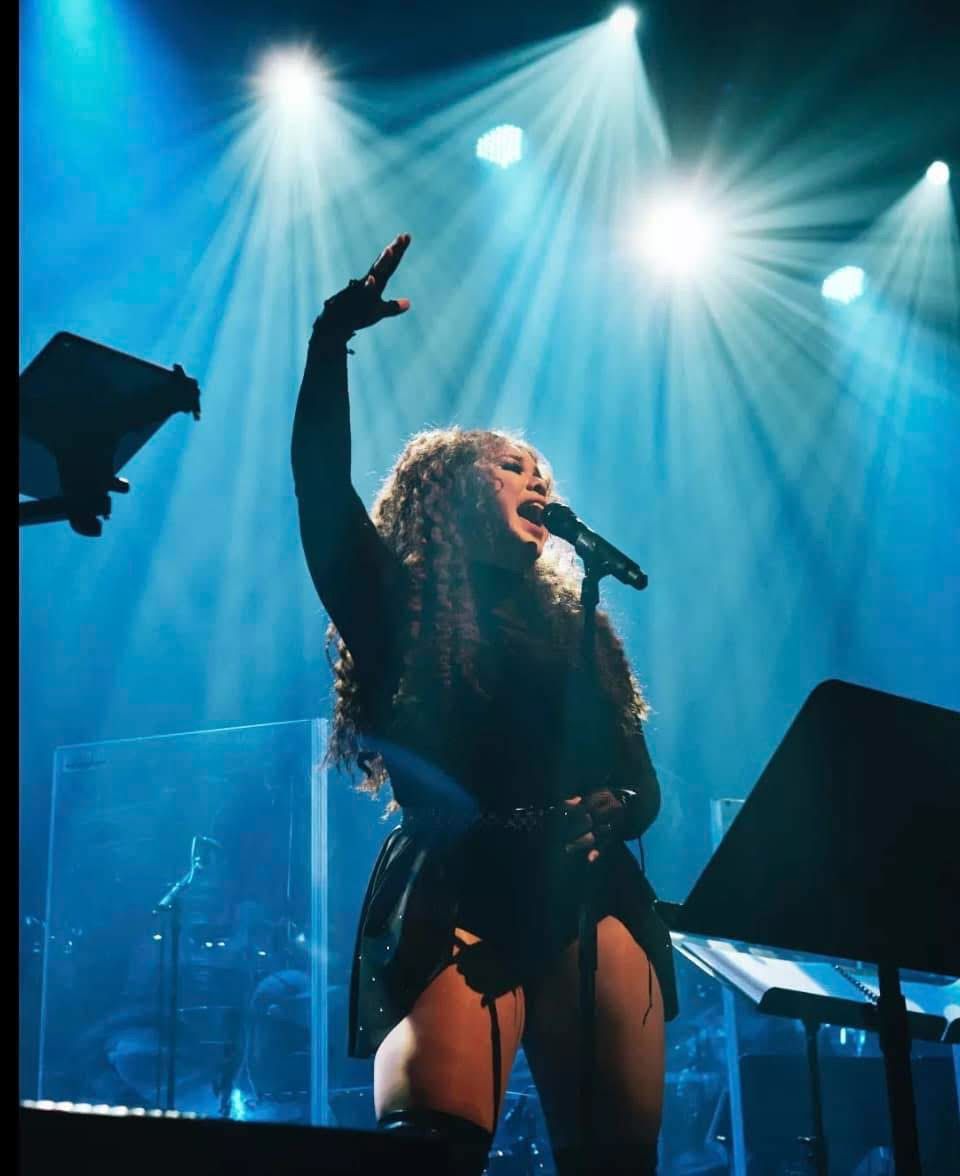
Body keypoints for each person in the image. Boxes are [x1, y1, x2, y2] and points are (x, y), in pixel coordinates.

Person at [291, 234, 678, 1175]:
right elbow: (319, 487)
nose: (536, 478)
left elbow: (641, 783)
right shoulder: (396, 603)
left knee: (617, 1158)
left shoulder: (580, 626)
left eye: (541, 470)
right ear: (449, 491)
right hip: (457, 884)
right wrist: (330, 343)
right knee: (435, 1145)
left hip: (586, 893)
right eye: (510, 466)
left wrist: (614, 811)